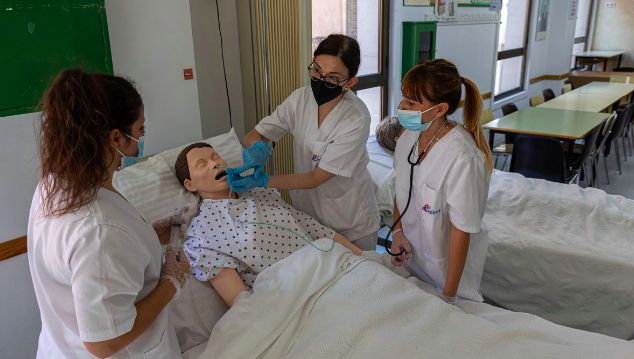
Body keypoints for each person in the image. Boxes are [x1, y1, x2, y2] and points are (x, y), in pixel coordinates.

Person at [27, 69, 189, 358]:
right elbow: (103, 342)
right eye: (140, 131)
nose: (141, 140)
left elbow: (92, 261)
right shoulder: (98, 229)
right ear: (116, 138)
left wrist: (147, 235)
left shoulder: (53, 184)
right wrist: (171, 283)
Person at [228, 34, 380, 251]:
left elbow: (316, 177)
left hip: (350, 219)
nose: (320, 80)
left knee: (360, 276)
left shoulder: (356, 118)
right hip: (308, 216)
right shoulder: (300, 99)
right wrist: (256, 148)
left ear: (350, 82)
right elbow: (256, 133)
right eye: (317, 70)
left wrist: (262, 180)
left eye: (333, 78)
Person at [174, 143, 364, 306]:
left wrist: (361, 257)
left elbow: (315, 229)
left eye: (215, 156)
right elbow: (241, 301)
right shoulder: (203, 233)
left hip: (331, 266)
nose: (215, 163)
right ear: (190, 185)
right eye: (202, 164)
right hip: (289, 295)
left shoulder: (260, 192)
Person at [389, 59, 493, 304]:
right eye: (404, 97)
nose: (401, 106)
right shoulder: (407, 138)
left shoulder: (463, 156)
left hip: (448, 278)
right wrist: (397, 233)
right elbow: (401, 190)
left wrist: (449, 296)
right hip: (412, 265)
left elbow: (462, 229)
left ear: (440, 109)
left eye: (411, 102)